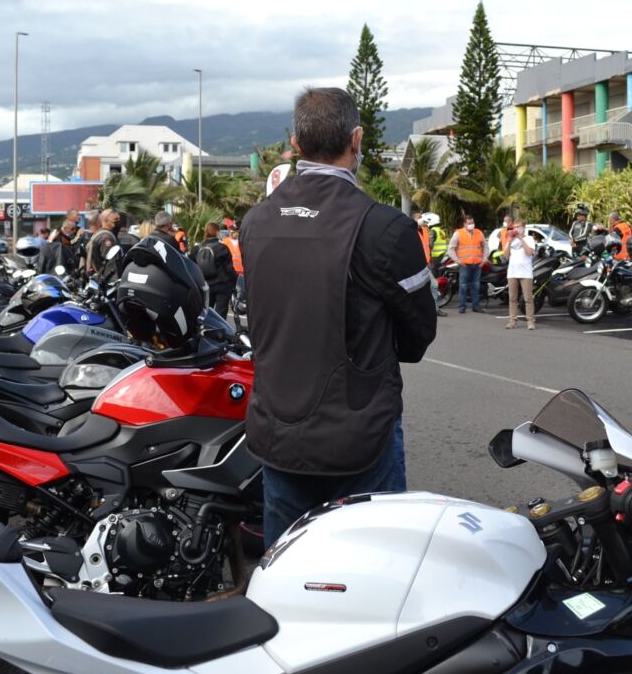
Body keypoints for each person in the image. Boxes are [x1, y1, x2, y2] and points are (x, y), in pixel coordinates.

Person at [242, 86, 436, 548]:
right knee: (373, 568)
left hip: (278, 435)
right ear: (357, 139)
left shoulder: (255, 222)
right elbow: (417, 335)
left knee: (286, 569)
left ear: (295, 144)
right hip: (361, 437)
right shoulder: (386, 227)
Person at [190, 222, 237, 319]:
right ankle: (219, 328)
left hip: (204, 285)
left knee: (206, 312)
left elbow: (191, 267)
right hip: (222, 284)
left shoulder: (197, 249)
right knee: (221, 313)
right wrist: (235, 281)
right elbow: (229, 268)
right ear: (217, 232)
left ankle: (207, 328)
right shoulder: (222, 248)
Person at [503, 212, 536, 330]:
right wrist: (509, 240)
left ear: (524, 228)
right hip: (512, 272)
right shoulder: (511, 239)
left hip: (525, 273)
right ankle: (512, 321)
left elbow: (529, 252)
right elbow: (506, 255)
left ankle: (530, 321)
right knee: (512, 298)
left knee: (528, 298)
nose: (516, 229)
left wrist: (521, 238)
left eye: (518, 227)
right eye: (515, 227)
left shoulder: (529, 239)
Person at [411, 210, 446, 318]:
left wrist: (429, 260)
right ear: (413, 219)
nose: (421, 218)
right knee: (415, 289)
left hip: (425, 265)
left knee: (434, 285)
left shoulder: (426, 230)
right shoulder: (409, 230)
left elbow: (427, 247)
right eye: (418, 217)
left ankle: (435, 309)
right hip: (414, 265)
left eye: (421, 216)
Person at [448, 214, 486, 314]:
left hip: (477, 264)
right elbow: (450, 249)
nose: (471, 225)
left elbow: (486, 247)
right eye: (469, 223)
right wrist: (458, 261)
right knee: (463, 286)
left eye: (472, 223)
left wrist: (484, 260)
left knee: (475, 286)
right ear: (464, 224)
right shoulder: (458, 233)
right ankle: (462, 306)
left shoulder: (479, 232)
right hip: (465, 265)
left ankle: (476, 306)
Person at [86, 209, 117, 277]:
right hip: (103, 277)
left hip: (94, 276)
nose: (117, 222)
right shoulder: (105, 236)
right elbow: (110, 263)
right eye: (115, 219)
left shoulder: (95, 235)